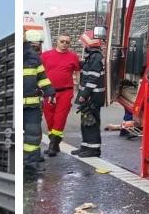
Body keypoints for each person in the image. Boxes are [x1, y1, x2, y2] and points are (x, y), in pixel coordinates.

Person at [23, 29, 55, 175]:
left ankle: (31, 164)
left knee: (33, 135)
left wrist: (50, 92)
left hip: (32, 106)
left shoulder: (34, 57)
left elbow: (42, 77)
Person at [41, 34, 80, 155]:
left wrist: (78, 87)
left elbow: (77, 72)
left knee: (60, 118)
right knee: (49, 118)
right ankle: (55, 142)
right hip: (48, 92)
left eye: (67, 42)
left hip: (65, 92)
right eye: (62, 41)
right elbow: (40, 72)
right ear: (56, 42)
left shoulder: (73, 56)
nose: (64, 44)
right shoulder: (45, 55)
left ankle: (53, 145)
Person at [73, 29, 104, 158]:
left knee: (91, 123)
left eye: (83, 43)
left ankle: (93, 149)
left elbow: (93, 78)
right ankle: (85, 146)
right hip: (90, 96)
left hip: (92, 96)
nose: (83, 45)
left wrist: (84, 95)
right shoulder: (92, 56)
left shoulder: (96, 57)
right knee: (86, 121)